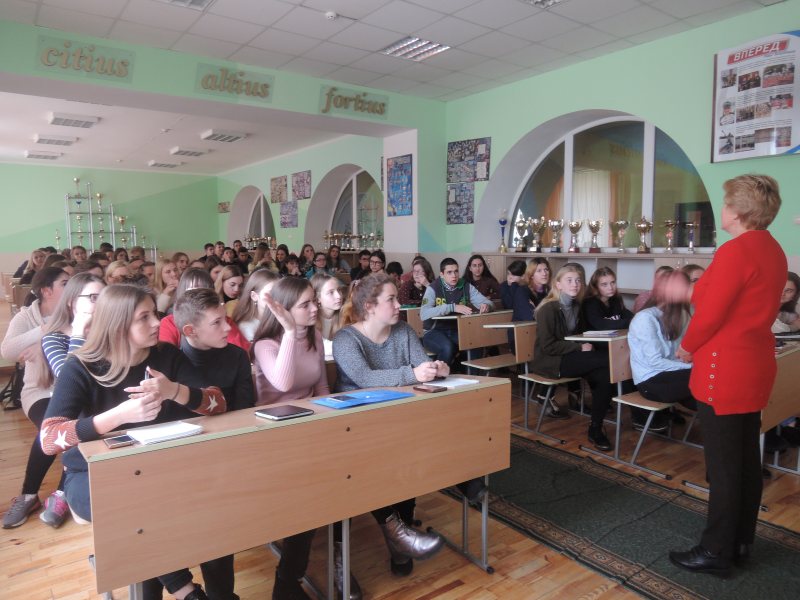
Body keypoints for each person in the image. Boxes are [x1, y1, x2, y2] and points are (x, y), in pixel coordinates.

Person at [41, 284, 228, 600]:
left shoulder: (166, 356)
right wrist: (116, 417)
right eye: (145, 317)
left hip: (156, 468)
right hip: (91, 476)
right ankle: (186, 590)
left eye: (155, 313)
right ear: (117, 324)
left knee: (200, 501)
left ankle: (197, 593)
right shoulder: (81, 366)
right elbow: (49, 439)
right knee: (135, 509)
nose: (157, 322)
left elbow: (218, 403)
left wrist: (174, 391)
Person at [667, 174, 786, 576]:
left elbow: (712, 312)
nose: (722, 208)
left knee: (723, 469)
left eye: (725, 202)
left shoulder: (735, 251)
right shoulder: (772, 248)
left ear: (736, 211)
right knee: (746, 462)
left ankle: (716, 551)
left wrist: (687, 346)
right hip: (753, 366)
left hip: (726, 369)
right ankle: (740, 542)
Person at [332, 273, 447, 596]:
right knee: (367, 466)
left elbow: (422, 367)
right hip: (354, 427)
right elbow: (365, 378)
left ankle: (402, 535)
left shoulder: (403, 331)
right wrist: (412, 374)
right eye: (392, 300)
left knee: (407, 459)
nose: (399, 305)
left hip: (397, 421)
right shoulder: (346, 339)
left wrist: (437, 369)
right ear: (370, 306)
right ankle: (391, 538)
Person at [249, 277, 327, 599]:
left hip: (308, 427)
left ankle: (305, 569)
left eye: (314, 301)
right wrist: (290, 333)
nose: (315, 308)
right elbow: (283, 384)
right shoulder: (265, 344)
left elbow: (321, 388)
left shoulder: (316, 337)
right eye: (305, 304)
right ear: (283, 311)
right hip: (273, 433)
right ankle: (287, 580)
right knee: (305, 499)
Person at [1, 268, 70, 529]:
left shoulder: (77, 312)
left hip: (71, 389)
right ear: (47, 291)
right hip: (38, 390)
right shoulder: (27, 316)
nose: (71, 287)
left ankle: (63, 493)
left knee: (75, 429)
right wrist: (46, 331)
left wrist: (43, 346)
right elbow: (8, 351)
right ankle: (28, 495)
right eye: (65, 283)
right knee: (50, 428)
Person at [531, 265, 615, 450]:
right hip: (551, 361)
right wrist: (579, 347)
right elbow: (548, 346)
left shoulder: (577, 306)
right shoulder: (548, 309)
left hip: (571, 356)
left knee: (604, 373)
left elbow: (581, 334)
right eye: (569, 280)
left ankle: (595, 428)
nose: (575, 284)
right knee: (607, 361)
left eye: (577, 280)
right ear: (558, 284)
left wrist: (586, 344)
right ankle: (598, 422)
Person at [628, 270, 695, 431]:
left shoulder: (676, 316)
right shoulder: (645, 318)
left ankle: (722, 424)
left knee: (707, 387)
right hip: (650, 382)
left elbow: (676, 355)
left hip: (667, 374)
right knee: (701, 379)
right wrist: (691, 366)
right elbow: (655, 362)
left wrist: (691, 362)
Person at [420, 258, 492, 366]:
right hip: (433, 331)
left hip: (457, 330)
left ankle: (471, 375)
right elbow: (424, 314)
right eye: (449, 272)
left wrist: (487, 306)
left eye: (456, 271)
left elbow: (489, 303)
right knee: (447, 347)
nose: (454, 275)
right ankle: (440, 374)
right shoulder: (433, 288)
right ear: (442, 275)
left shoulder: (466, 286)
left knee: (475, 344)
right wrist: (452, 307)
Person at [159, 268, 250, 352]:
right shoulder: (169, 322)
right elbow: (167, 357)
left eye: (205, 290)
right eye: (194, 291)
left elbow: (243, 351)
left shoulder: (223, 321)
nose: (200, 296)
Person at [231, 269, 279, 342]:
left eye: (278, 293)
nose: (277, 298)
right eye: (270, 293)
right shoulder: (247, 327)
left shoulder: (277, 317)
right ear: (254, 296)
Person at [582, 267, 633, 331]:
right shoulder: (590, 303)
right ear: (596, 287)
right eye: (604, 284)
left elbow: (629, 316)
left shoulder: (615, 299)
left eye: (613, 282)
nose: (610, 288)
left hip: (615, 336)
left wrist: (634, 320)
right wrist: (631, 322)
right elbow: (601, 325)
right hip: (592, 337)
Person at [311, 273, 344, 357]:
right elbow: (320, 346)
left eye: (339, 290)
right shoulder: (310, 319)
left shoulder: (345, 315)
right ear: (318, 298)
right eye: (331, 292)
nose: (339, 296)